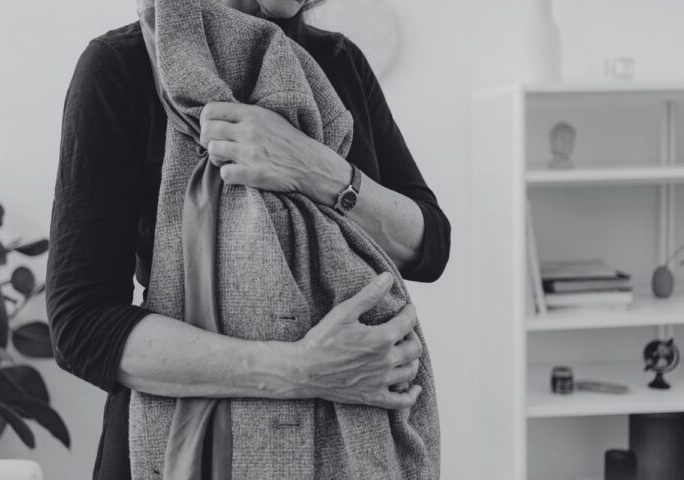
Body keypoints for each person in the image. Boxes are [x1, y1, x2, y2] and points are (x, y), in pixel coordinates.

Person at [46, 1, 451, 478]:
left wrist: (317, 170)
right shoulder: (122, 65)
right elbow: (82, 325)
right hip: (186, 448)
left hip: (353, 444)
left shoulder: (338, 62)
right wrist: (303, 369)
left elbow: (429, 245)